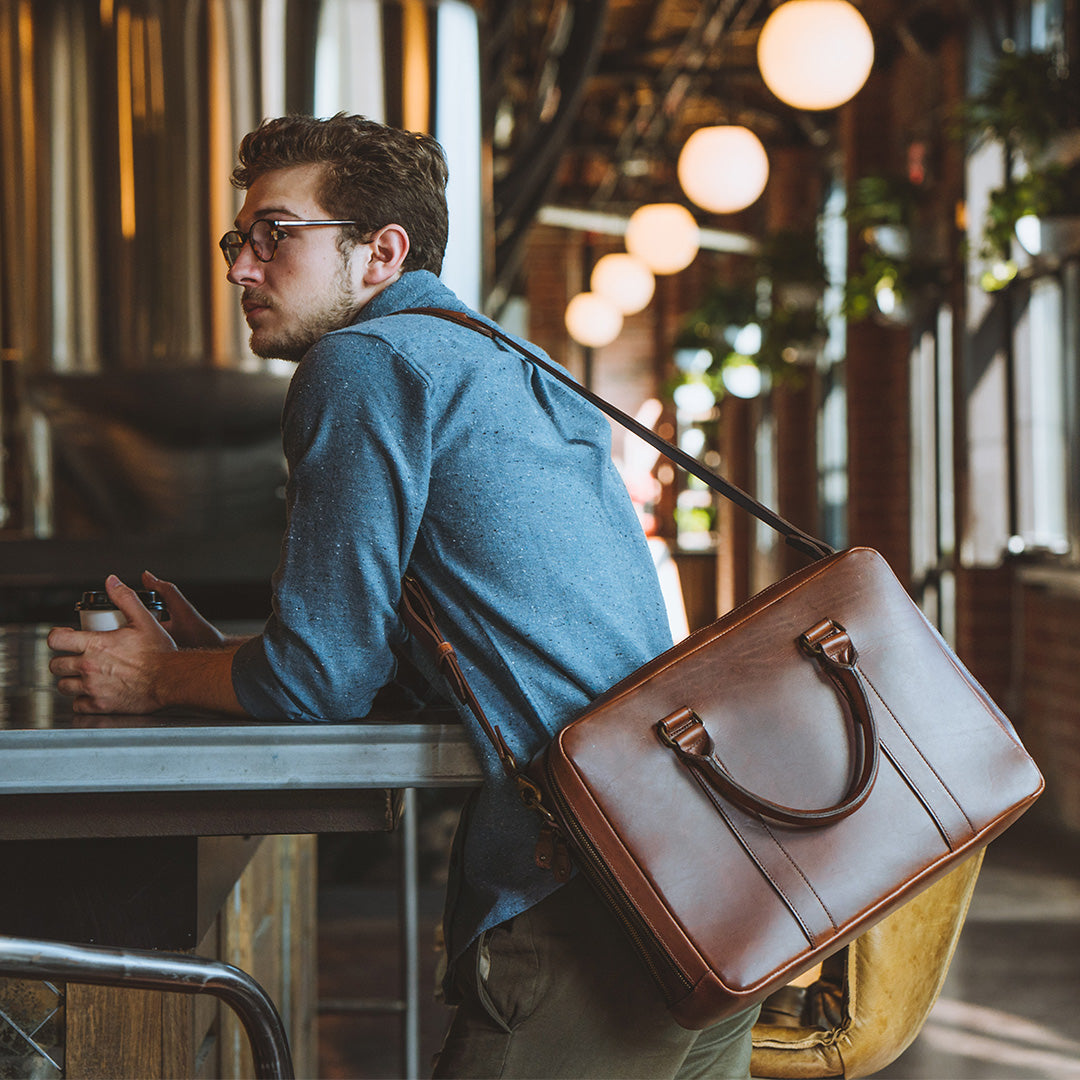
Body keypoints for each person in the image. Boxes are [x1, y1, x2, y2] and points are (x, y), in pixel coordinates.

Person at [48, 114, 758, 1077]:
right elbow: (420, 648)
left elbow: (320, 683)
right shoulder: (504, 357)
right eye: (237, 240)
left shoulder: (363, 364)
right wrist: (217, 662)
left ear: (381, 252)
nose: (240, 270)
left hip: (581, 899)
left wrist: (160, 681)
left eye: (275, 236)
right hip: (703, 883)